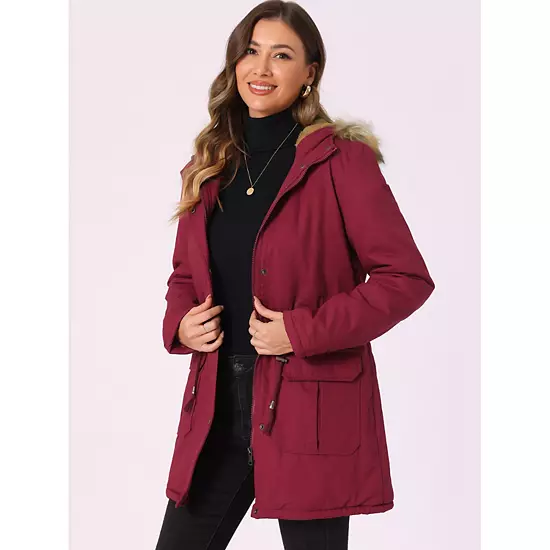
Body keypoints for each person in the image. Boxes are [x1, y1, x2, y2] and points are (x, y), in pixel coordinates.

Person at [155, 1, 435, 549]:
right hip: (215, 406)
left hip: (309, 409)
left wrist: (302, 331)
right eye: (251, 52)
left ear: (310, 72)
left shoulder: (341, 161)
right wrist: (181, 323)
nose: (261, 69)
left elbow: (405, 278)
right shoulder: (209, 166)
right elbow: (185, 274)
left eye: (281, 55)